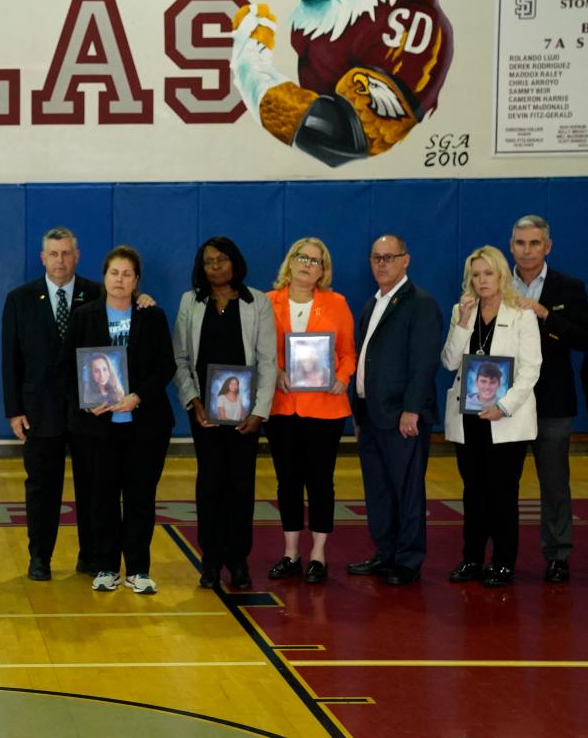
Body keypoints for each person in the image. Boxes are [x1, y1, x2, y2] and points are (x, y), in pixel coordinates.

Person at [1, 226, 153, 582]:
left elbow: (128, 317)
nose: (60, 260)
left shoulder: (98, 292)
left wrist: (144, 301)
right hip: (41, 410)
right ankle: (40, 556)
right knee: (42, 487)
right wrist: (14, 409)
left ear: (77, 256)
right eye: (53, 254)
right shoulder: (20, 299)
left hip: (91, 411)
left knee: (94, 486)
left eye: (66, 253)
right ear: (43, 258)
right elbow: (11, 360)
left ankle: (92, 555)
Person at [63, 246, 175, 594]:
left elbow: (165, 366)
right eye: (114, 273)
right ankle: (106, 566)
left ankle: (139, 569)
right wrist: (87, 403)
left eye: (127, 274)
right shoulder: (84, 316)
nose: (120, 280)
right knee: (102, 498)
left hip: (145, 426)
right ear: (104, 277)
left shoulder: (152, 316)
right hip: (98, 428)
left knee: (141, 497)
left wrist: (137, 396)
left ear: (136, 280)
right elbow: (68, 368)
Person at [173, 236, 278, 591]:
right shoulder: (191, 302)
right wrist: (194, 401)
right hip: (205, 413)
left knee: (241, 485)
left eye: (222, 259)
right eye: (208, 261)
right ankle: (211, 559)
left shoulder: (257, 302)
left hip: (245, 416)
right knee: (210, 484)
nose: (216, 266)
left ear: (235, 262)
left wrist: (259, 412)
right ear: (200, 268)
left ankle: (238, 559)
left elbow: (267, 362)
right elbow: (181, 360)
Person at [441, 247, 542, 587]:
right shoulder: (462, 309)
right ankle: (471, 559)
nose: (482, 281)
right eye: (476, 275)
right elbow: (450, 361)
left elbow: (531, 369)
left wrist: (505, 405)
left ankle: (502, 562)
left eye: (488, 274)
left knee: (502, 492)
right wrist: (463, 323)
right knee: (473, 492)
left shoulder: (521, 313)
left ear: (501, 276)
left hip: (506, 420)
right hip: (468, 416)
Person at [348, 235, 442, 586]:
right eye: (376, 257)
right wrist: (358, 413)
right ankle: (385, 552)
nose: (381, 263)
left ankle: (408, 559)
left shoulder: (419, 303)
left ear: (407, 260)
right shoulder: (373, 304)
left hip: (402, 418)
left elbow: (423, 362)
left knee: (406, 490)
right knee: (379, 489)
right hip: (372, 416)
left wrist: (412, 410)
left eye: (389, 257)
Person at [264, 237, 356, 585]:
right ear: (290, 262)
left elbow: (348, 353)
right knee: (288, 482)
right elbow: (260, 353)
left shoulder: (336, 303)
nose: (307, 264)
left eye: (316, 261)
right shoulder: (266, 302)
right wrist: (276, 372)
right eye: (302, 257)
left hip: (325, 409)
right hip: (282, 406)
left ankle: (318, 554)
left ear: (323, 270)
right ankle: (290, 553)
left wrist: (343, 378)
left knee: (320, 482)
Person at [510, 215, 588, 583]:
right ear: (511, 245)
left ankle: (557, 554)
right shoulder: (494, 282)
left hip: (552, 404)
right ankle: (500, 555)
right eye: (521, 243)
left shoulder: (569, 288)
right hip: (504, 403)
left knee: (554, 482)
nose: (527, 250)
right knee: (500, 483)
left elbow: (583, 338)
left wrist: (545, 317)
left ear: (548, 246)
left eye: (534, 243)